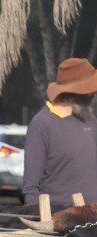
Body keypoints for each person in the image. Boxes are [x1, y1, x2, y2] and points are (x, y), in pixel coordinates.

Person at [23, 58, 97, 205]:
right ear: (74, 93)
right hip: (61, 221)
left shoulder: (90, 120)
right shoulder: (42, 124)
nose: (93, 94)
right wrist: (41, 221)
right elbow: (30, 188)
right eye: (90, 90)